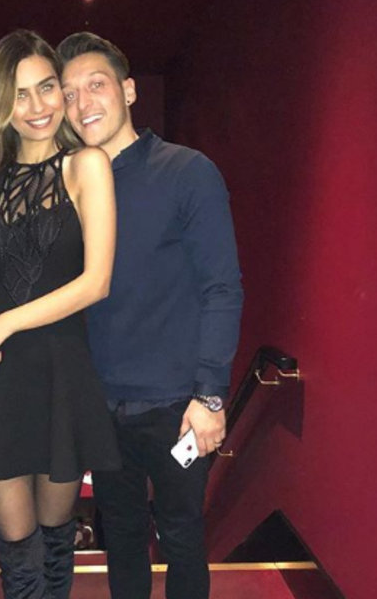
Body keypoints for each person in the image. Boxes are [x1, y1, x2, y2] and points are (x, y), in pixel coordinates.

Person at [0, 29, 121, 599]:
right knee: (17, 551)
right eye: (19, 94)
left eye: (47, 87)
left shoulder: (86, 166)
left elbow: (97, 282)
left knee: (56, 540)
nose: (37, 106)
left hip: (60, 372)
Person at [56, 32, 244, 599]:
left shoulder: (186, 171)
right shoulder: (68, 185)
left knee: (182, 537)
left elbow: (222, 288)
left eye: (96, 85)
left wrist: (211, 396)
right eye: (69, 93)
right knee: (121, 537)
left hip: (175, 405)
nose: (83, 103)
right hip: (101, 404)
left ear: (129, 90)